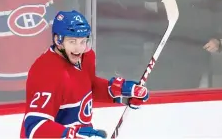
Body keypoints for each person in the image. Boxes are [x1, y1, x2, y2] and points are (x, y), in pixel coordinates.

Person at [20, 10, 149, 138]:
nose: (79, 48)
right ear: (58, 40)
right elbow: (35, 127)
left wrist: (121, 92)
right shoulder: (46, 72)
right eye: (72, 41)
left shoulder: (86, 57)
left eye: (83, 41)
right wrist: (73, 135)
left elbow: (87, 87)